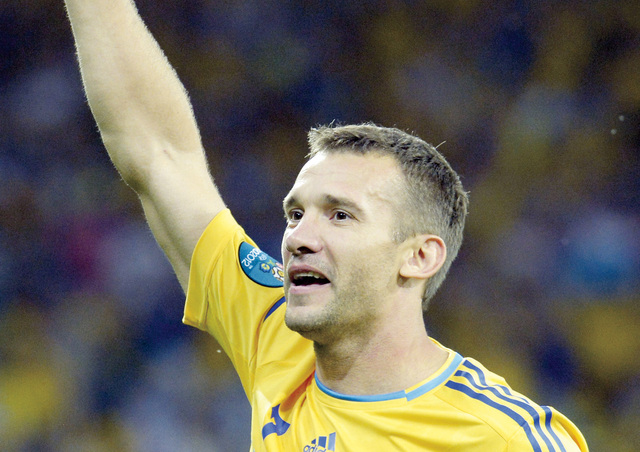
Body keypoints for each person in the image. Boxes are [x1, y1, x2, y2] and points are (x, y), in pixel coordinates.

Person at [64, 1, 589, 450]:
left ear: (419, 256)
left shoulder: (502, 436)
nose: (298, 238)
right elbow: (157, 153)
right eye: (296, 214)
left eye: (340, 215)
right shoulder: (276, 331)